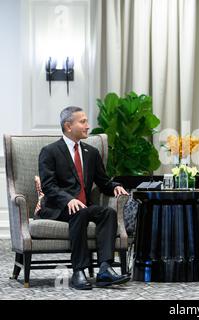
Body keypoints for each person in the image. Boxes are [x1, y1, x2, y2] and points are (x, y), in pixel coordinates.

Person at [38, 106, 131, 290]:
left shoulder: (91, 153)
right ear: (68, 126)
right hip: (58, 207)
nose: (88, 126)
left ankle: (104, 269)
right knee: (79, 211)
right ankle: (78, 271)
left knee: (108, 213)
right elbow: (48, 186)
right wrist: (67, 199)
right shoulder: (50, 151)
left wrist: (116, 187)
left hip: (83, 207)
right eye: (83, 122)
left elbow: (104, 182)